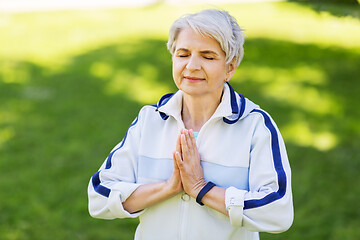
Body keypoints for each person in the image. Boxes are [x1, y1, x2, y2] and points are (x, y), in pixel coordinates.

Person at [88, 9, 293, 240]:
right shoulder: (149, 120)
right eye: (183, 54)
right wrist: (168, 188)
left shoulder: (256, 126)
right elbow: (98, 197)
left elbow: (278, 212)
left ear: (230, 67)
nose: (192, 66)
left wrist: (201, 188)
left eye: (208, 56)